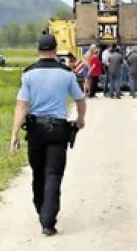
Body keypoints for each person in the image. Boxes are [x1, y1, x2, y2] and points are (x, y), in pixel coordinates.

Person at [10, 34, 87, 236]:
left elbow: (22, 105)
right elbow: (80, 99)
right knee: (53, 174)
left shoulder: (28, 74)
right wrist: (80, 119)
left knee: (38, 172)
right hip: (59, 130)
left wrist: (15, 134)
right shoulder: (67, 74)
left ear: (38, 49)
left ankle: (41, 209)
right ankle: (48, 220)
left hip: (35, 130)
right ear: (55, 49)